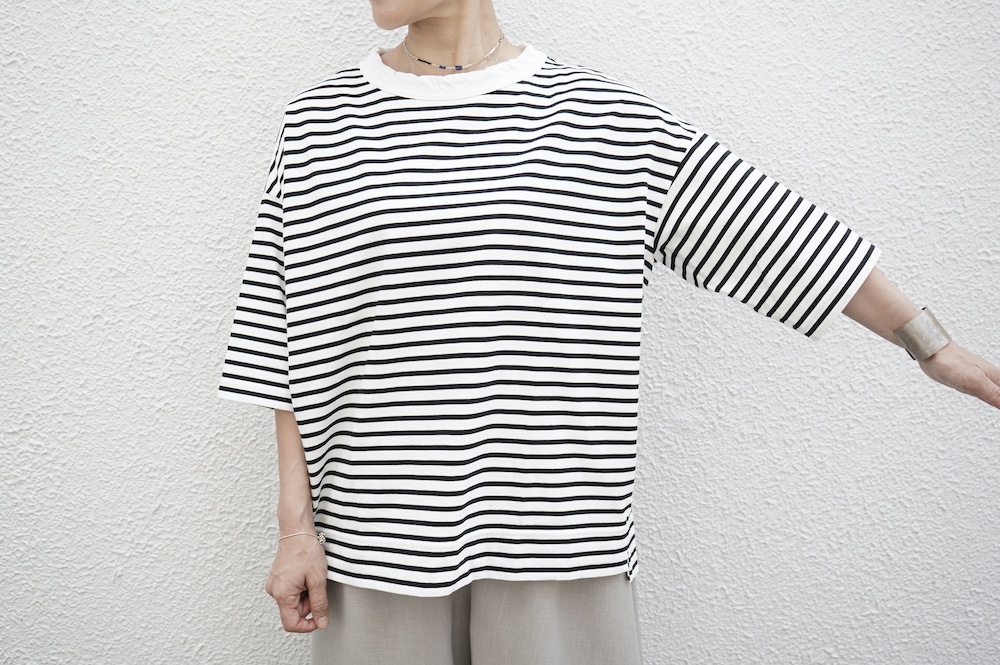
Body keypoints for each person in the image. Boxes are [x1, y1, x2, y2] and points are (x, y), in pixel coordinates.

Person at [219, 1, 1000, 663]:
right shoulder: (320, 123)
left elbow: (772, 230)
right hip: (374, 554)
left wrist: (930, 344)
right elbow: (280, 335)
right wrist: (295, 528)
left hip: (560, 546)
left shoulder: (604, 120)